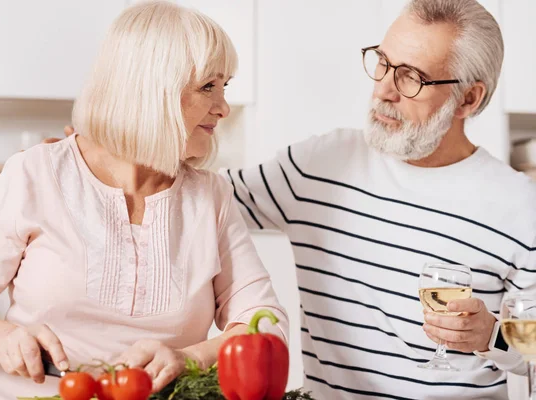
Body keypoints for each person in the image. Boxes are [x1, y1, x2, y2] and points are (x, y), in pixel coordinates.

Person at [0, 2, 288, 399]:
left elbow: (266, 322)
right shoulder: (34, 174)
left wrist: (189, 358)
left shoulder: (211, 197)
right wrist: (3, 339)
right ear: (150, 89)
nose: (223, 107)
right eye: (209, 86)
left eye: (226, 87)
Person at [221, 0, 536, 398]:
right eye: (383, 63)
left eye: (412, 78)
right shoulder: (321, 165)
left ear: (468, 99)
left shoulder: (522, 208)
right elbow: (203, 206)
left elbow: (534, 352)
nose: (383, 90)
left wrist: (492, 334)